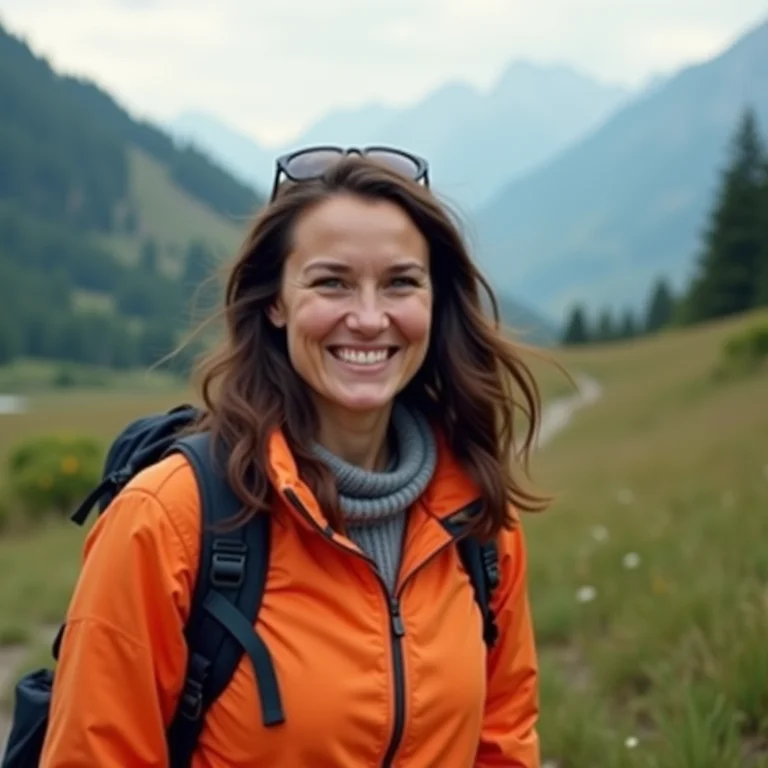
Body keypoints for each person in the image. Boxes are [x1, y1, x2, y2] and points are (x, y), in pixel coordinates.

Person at [40, 146, 548, 767]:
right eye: (331, 282)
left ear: (435, 301)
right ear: (275, 301)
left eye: (400, 283)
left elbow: (504, 740)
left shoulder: (478, 519)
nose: (368, 318)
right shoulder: (168, 519)